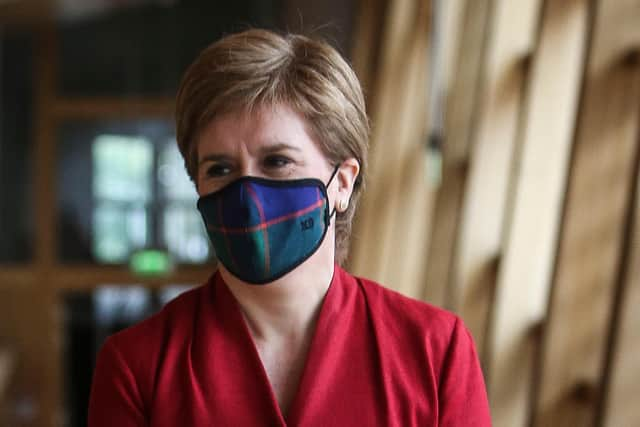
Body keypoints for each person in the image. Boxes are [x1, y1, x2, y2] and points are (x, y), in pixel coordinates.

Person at [88, 29, 491, 426]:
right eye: (220, 169)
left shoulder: (435, 353)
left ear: (343, 182)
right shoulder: (139, 368)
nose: (247, 195)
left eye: (277, 161)